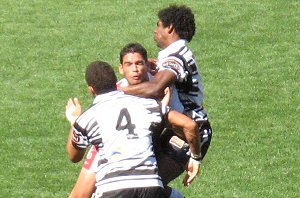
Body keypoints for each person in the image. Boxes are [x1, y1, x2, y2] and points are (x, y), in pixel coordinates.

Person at [65, 60, 202, 197]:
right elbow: (190, 125)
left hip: (112, 189)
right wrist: (195, 158)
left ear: (91, 89)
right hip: (151, 188)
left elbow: (74, 156)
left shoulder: (87, 118)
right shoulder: (147, 105)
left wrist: (75, 120)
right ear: (116, 83)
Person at [120, 4, 213, 189]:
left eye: (158, 25)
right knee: (141, 182)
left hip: (190, 133)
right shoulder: (176, 53)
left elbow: (155, 88)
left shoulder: (176, 56)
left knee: (149, 186)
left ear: (169, 27)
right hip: (175, 129)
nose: (155, 31)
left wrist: (117, 92)